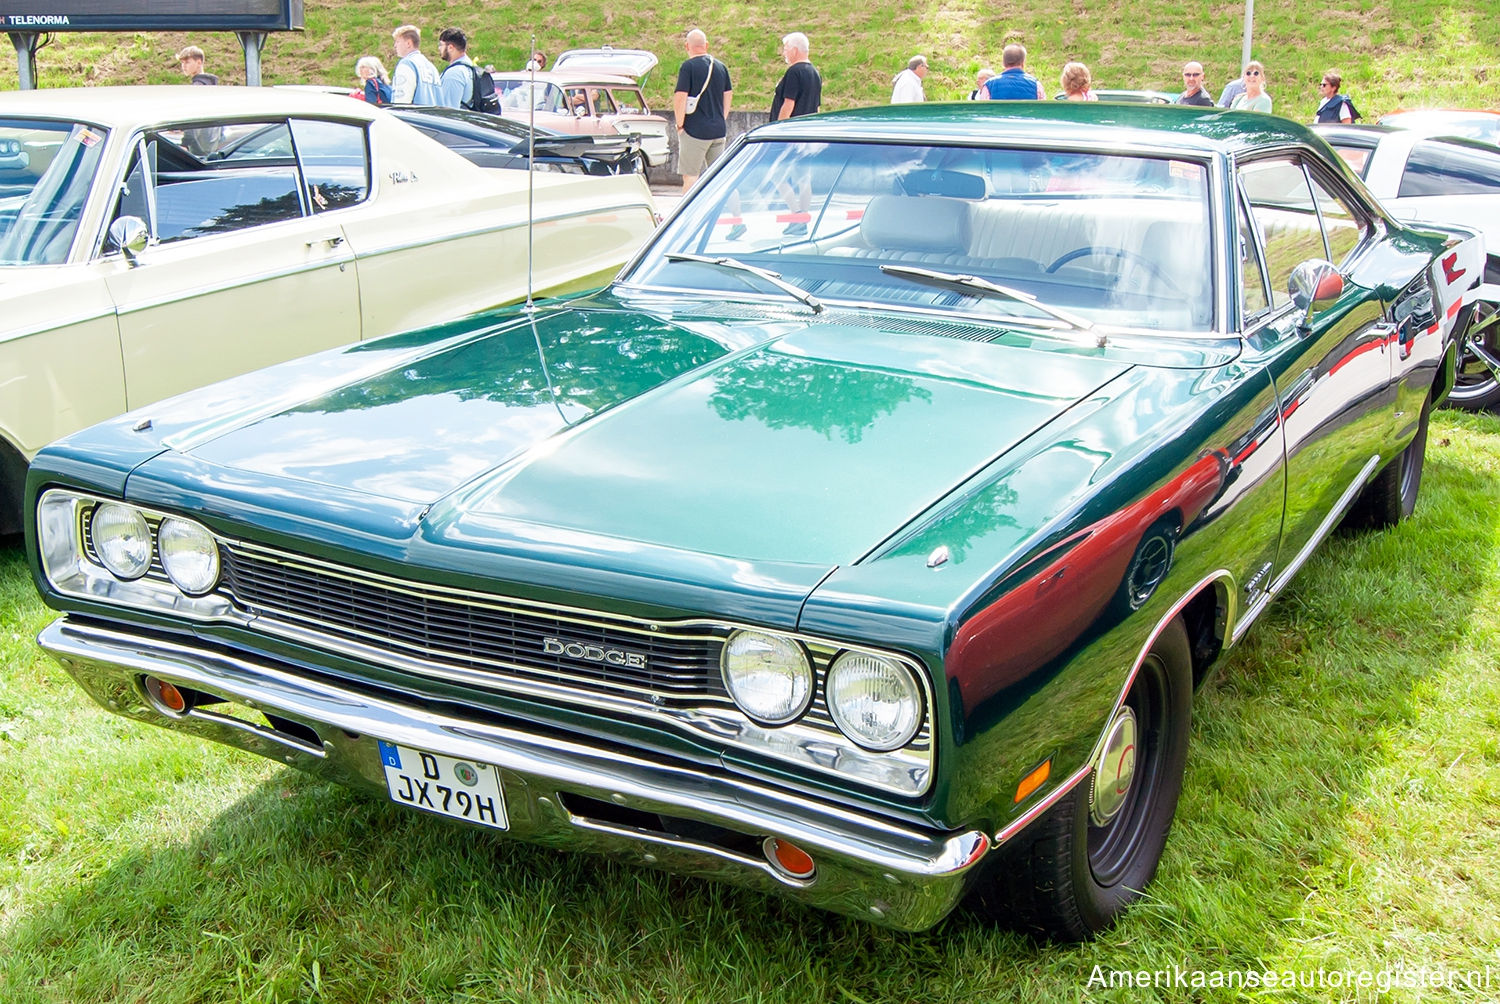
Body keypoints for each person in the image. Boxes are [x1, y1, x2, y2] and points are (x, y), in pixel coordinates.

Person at [673, 28, 733, 192]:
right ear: (706, 45)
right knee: (718, 176)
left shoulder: (688, 67)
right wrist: (722, 117)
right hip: (718, 130)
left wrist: (680, 125)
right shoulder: (721, 67)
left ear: (687, 46)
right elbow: (728, 95)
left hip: (694, 131)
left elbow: (680, 97)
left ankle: (687, 214)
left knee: (691, 176)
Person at [771, 32, 821, 120]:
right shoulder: (815, 73)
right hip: (805, 127)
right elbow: (816, 107)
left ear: (794, 50)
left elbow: (789, 104)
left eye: (786, 49)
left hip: (790, 128)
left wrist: (779, 126)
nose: (784, 53)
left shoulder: (794, 72)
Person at [390, 24, 441, 105]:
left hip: (412, 116)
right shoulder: (431, 67)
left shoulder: (406, 65)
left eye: (398, 42)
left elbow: (401, 103)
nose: (395, 46)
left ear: (408, 43)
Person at [436, 27, 477, 110]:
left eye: (441, 45)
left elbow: (447, 110)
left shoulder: (454, 73)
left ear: (450, 47)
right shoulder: (470, 67)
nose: (439, 48)